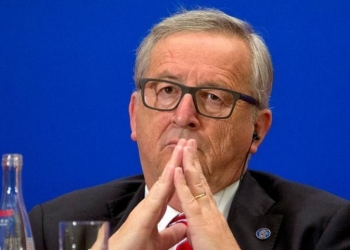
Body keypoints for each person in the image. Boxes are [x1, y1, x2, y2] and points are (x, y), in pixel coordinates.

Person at [29, 8, 350, 250]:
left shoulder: (322, 230)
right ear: (133, 115)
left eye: (213, 97)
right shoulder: (54, 224)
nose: (184, 116)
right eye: (166, 90)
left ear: (258, 130)